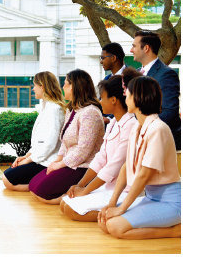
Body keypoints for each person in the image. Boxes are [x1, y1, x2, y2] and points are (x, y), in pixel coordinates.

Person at [98, 76, 181, 239]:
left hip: (171, 202)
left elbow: (144, 175)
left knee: (115, 226)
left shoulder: (158, 129)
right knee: (105, 221)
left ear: (138, 98)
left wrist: (121, 209)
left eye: (127, 95)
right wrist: (112, 203)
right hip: (151, 197)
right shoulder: (137, 127)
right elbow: (125, 167)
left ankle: (175, 231)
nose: (125, 99)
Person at [60, 75, 140, 221]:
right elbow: (100, 158)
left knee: (72, 210)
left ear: (114, 100)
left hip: (123, 190)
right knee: (64, 203)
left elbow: (113, 167)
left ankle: (127, 213)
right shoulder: (113, 123)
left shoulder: (131, 126)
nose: (99, 101)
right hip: (108, 186)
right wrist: (80, 185)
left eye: (102, 98)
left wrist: (86, 191)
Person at [27, 69, 104, 204]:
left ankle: (76, 195)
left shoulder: (90, 112)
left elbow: (84, 150)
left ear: (75, 87)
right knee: (33, 185)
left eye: (66, 84)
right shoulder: (73, 109)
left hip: (82, 166)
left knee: (42, 192)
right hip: (69, 162)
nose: (63, 87)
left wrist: (60, 165)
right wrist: (56, 162)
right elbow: (64, 141)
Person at [2, 71, 66, 191]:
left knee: (7, 179)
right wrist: (25, 156)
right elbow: (39, 142)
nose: (33, 89)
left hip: (46, 161)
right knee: (8, 175)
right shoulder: (46, 107)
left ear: (42, 86)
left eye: (34, 85)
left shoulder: (54, 110)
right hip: (39, 157)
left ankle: (40, 184)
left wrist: (27, 160)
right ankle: (39, 183)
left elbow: (49, 145)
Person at [130, 30, 181, 149]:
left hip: (160, 142)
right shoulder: (136, 73)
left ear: (146, 48)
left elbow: (169, 112)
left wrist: (142, 127)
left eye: (134, 46)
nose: (131, 50)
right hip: (137, 139)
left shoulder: (167, 74)